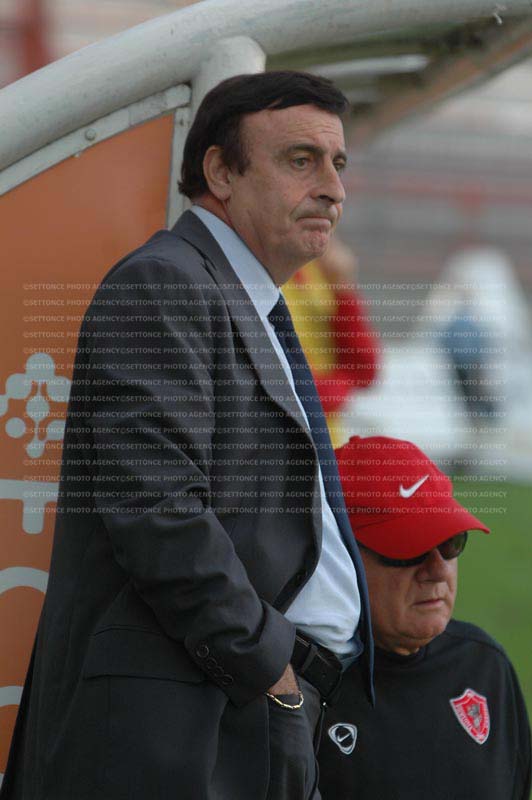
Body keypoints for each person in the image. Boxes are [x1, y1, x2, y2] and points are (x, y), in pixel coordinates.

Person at [1, 72, 373, 800]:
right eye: (301, 160)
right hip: (196, 720)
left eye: (338, 164)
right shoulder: (164, 283)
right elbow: (160, 514)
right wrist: (271, 671)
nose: (333, 189)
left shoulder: (240, 295)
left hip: (245, 709)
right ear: (221, 172)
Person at [318, 435, 531, 800]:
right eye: (408, 549)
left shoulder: (485, 667)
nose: (439, 570)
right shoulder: (294, 686)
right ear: (339, 554)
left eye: (450, 543)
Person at [283, 238, 380, 447]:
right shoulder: (263, 274)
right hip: (286, 441)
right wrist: (344, 383)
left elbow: (365, 369)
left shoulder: (323, 265)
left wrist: (344, 288)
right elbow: (289, 391)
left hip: (328, 440)